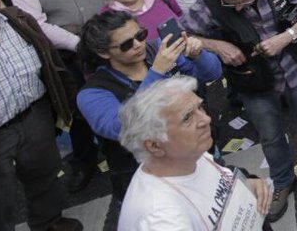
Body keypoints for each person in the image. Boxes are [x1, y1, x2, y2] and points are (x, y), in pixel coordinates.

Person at [181, 0, 297, 221]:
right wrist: (218, 46)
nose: (239, 9)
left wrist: (286, 37)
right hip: (252, 81)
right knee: (270, 136)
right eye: (230, 5)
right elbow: (183, 34)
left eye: (243, 1)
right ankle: (282, 182)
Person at [77, 10, 221, 229]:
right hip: (146, 176)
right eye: (126, 44)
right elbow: (121, 127)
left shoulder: (160, 50)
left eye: (141, 35)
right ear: (104, 52)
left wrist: (198, 55)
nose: (138, 45)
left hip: (195, 156)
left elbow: (212, 73)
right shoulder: (92, 93)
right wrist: (157, 71)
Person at [0, 0, 82, 231]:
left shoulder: (19, 20)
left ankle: (49, 223)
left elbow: (51, 61)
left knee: (45, 177)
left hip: (35, 116)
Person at [8, 0, 110, 192]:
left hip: (109, 39)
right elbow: (37, 24)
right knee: (78, 107)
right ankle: (86, 161)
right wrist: (81, 44)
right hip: (68, 52)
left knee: (123, 94)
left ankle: (127, 151)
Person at [116, 76, 272, 230]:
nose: (206, 119)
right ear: (154, 146)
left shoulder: (186, 155)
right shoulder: (161, 219)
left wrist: (246, 184)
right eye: (187, 117)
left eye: (200, 107)